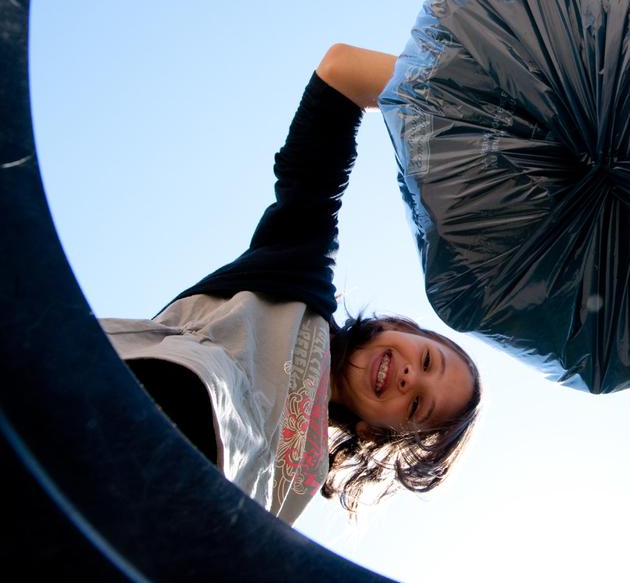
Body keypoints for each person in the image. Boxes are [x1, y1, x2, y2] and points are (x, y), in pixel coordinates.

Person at [100, 44, 481, 523]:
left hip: (164, 518)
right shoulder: (300, 275)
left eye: (418, 405)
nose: (410, 378)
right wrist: (478, 106)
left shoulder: (302, 485)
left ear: (379, 432)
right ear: (396, 328)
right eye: (426, 360)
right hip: (122, 396)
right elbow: (341, 75)